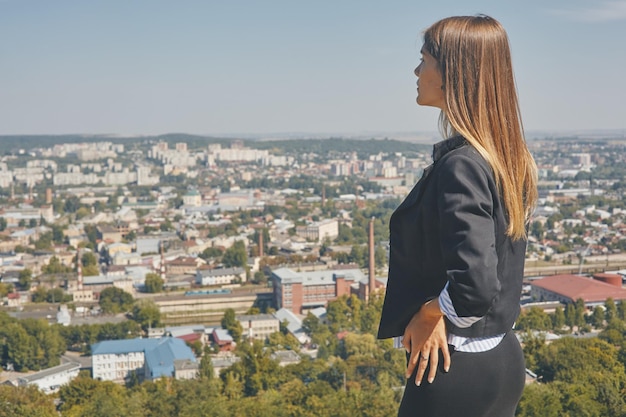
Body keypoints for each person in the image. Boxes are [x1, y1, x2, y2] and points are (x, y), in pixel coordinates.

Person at [377, 15, 538, 417]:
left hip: (454, 368)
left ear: (452, 73)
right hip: (499, 358)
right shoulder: (505, 157)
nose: (416, 71)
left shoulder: (462, 166)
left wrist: (430, 312)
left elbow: (476, 288)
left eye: (424, 60)